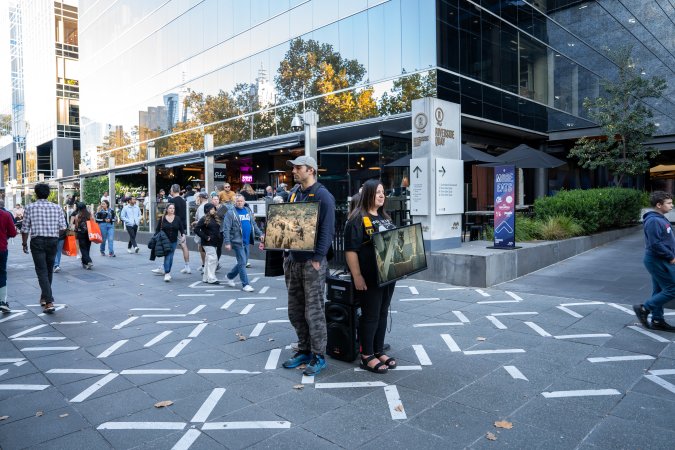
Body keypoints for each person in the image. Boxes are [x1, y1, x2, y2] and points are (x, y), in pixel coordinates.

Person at [280, 156, 335, 376]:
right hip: (293, 260)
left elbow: (328, 230)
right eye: (293, 167)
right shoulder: (294, 193)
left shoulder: (323, 195)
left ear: (310, 170)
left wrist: (317, 258)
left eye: (298, 167)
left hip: (312, 263)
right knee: (295, 310)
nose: (293, 170)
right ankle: (303, 349)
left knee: (314, 312)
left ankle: (319, 355)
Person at [344, 179, 398, 373]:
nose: (382, 195)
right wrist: (357, 276)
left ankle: (378, 350)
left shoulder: (385, 216)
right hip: (369, 277)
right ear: (367, 194)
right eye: (377, 192)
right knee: (370, 315)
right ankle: (366, 355)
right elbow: (350, 250)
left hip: (387, 276)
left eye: (383, 192)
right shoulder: (357, 219)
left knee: (383, 312)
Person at [21, 183, 67, 313]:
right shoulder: (57, 207)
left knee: (41, 271)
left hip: (37, 241)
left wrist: (24, 243)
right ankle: (44, 297)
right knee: (48, 270)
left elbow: (25, 229)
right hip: (52, 241)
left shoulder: (30, 207)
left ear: (36, 194)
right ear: (48, 194)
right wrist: (55, 238)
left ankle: (49, 301)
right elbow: (63, 228)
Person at [634, 191, 675, 332]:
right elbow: (654, 244)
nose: (672, 205)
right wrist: (670, 256)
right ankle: (644, 308)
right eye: (669, 203)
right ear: (659, 205)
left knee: (659, 290)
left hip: (660, 259)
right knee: (672, 289)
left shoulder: (659, 218)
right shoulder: (654, 220)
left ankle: (657, 320)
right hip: (657, 260)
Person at [222, 194, 263, 292]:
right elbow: (226, 229)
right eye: (237, 201)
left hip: (246, 241)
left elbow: (253, 224)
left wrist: (260, 233)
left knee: (243, 262)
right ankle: (245, 284)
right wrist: (227, 242)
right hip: (237, 241)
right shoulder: (230, 213)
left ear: (244, 201)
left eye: (241, 201)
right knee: (242, 262)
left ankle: (229, 276)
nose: (239, 202)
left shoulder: (248, 210)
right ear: (234, 202)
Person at [151, 203, 183, 282]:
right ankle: (167, 273)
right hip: (164, 241)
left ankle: (168, 272)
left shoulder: (177, 218)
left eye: (173, 208)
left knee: (170, 257)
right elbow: (158, 229)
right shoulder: (162, 218)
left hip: (173, 241)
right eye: (170, 208)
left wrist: (183, 235)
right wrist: (155, 239)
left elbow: (181, 229)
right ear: (167, 209)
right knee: (167, 256)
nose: (172, 210)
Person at [195, 203, 222, 284]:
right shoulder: (203, 219)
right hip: (207, 242)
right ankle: (211, 278)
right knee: (213, 259)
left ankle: (206, 277)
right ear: (207, 210)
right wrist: (206, 237)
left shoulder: (215, 218)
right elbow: (196, 229)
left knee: (208, 260)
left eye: (214, 209)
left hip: (214, 242)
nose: (213, 210)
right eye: (211, 209)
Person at [168, 184, 192, 274]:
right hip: (182, 226)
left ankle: (165, 267)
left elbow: (170, 214)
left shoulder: (171, 200)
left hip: (173, 226)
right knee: (183, 245)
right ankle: (187, 266)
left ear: (173, 190)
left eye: (171, 189)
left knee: (170, 246)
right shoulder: (183, 200)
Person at [0, 202, 17, 313]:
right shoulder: (5, 215)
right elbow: (13, 232)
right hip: (1, 248)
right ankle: (2, 301)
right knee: (1, 273)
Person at [71, 202, 94, 270]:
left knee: (83, 249)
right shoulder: (89, 214)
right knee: (87, 248)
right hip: (89, 234)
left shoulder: (77, 216)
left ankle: (89, 261)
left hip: (81, 234)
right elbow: (93, 223)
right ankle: (84, 263)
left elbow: (76, 226)